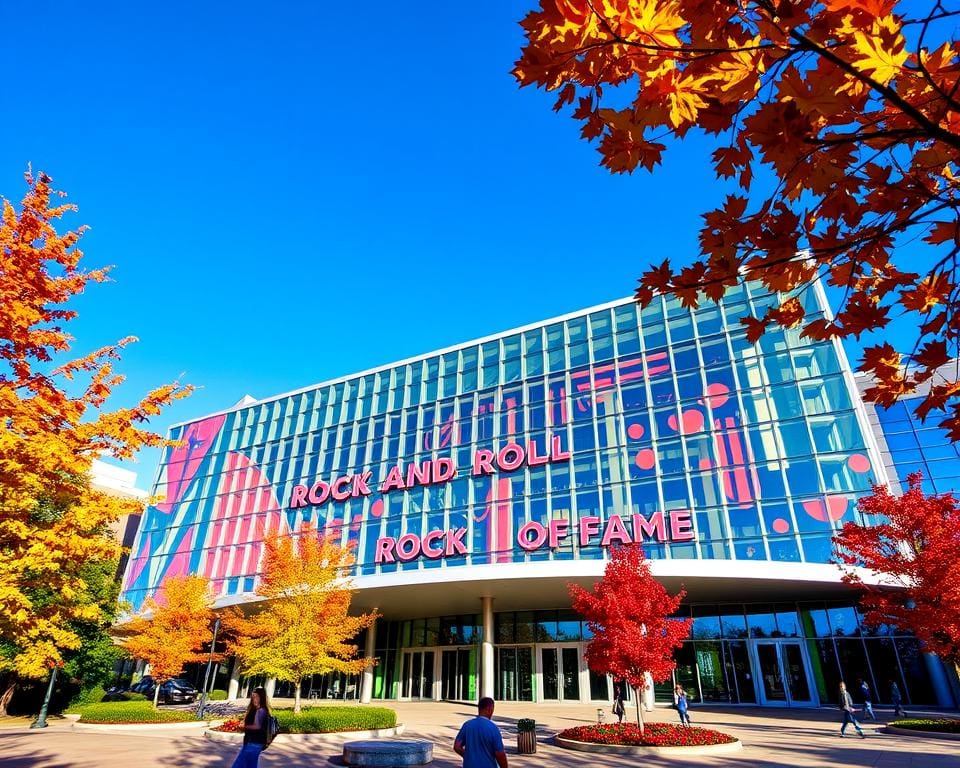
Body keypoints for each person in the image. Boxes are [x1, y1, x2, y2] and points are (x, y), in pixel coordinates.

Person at [454, 697, 508, 768]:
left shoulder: (467, 725)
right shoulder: (493, 728)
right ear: (489, 709)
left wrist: (468, 757)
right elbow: (500, 754)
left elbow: (457, 747)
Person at [231, 686, 270, 767]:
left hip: (254, 743)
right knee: (251, 765)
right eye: (253, 696)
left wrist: (244, 726)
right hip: (252, 742)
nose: (254, 699)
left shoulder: (261, 710)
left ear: (261, 698)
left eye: (256, 696)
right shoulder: (255, 709)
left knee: (238, 765)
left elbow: (257, 726)